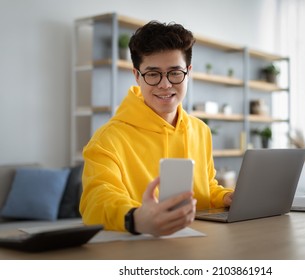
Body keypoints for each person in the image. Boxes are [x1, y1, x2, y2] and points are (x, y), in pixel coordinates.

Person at [79, 20, 234, 237]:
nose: (165, 84)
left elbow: (206, 187)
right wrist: (135, 217)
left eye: (175, 72)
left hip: (200, 246)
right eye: (152, 74)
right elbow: (96, 200)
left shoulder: (200, 130)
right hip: (140, 250)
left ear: (188, 72)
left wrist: (226, 197)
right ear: (136, 75)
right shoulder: (108, 138)